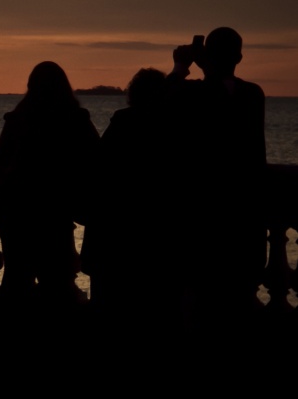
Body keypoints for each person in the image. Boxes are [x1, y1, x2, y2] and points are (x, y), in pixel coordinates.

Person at [167, 27, 266, 323]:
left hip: (207, 220)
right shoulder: (252, 94)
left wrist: (182, 67)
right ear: (239, 57)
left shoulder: (199, 93)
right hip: (240, 218)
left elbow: (160, 101)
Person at [0, 61, 98, 310]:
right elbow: (96, 159)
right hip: (53, 213)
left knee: (16, 280)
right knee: (56, 284)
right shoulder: (74, 119)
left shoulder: (18, 119)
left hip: (15, 212)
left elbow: (1, 160)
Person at [82, 67, 172, 322]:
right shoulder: (172, 125)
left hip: (115, 235)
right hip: (153, 236)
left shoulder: (123, 122)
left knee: (109, 309)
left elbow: (99, 170)